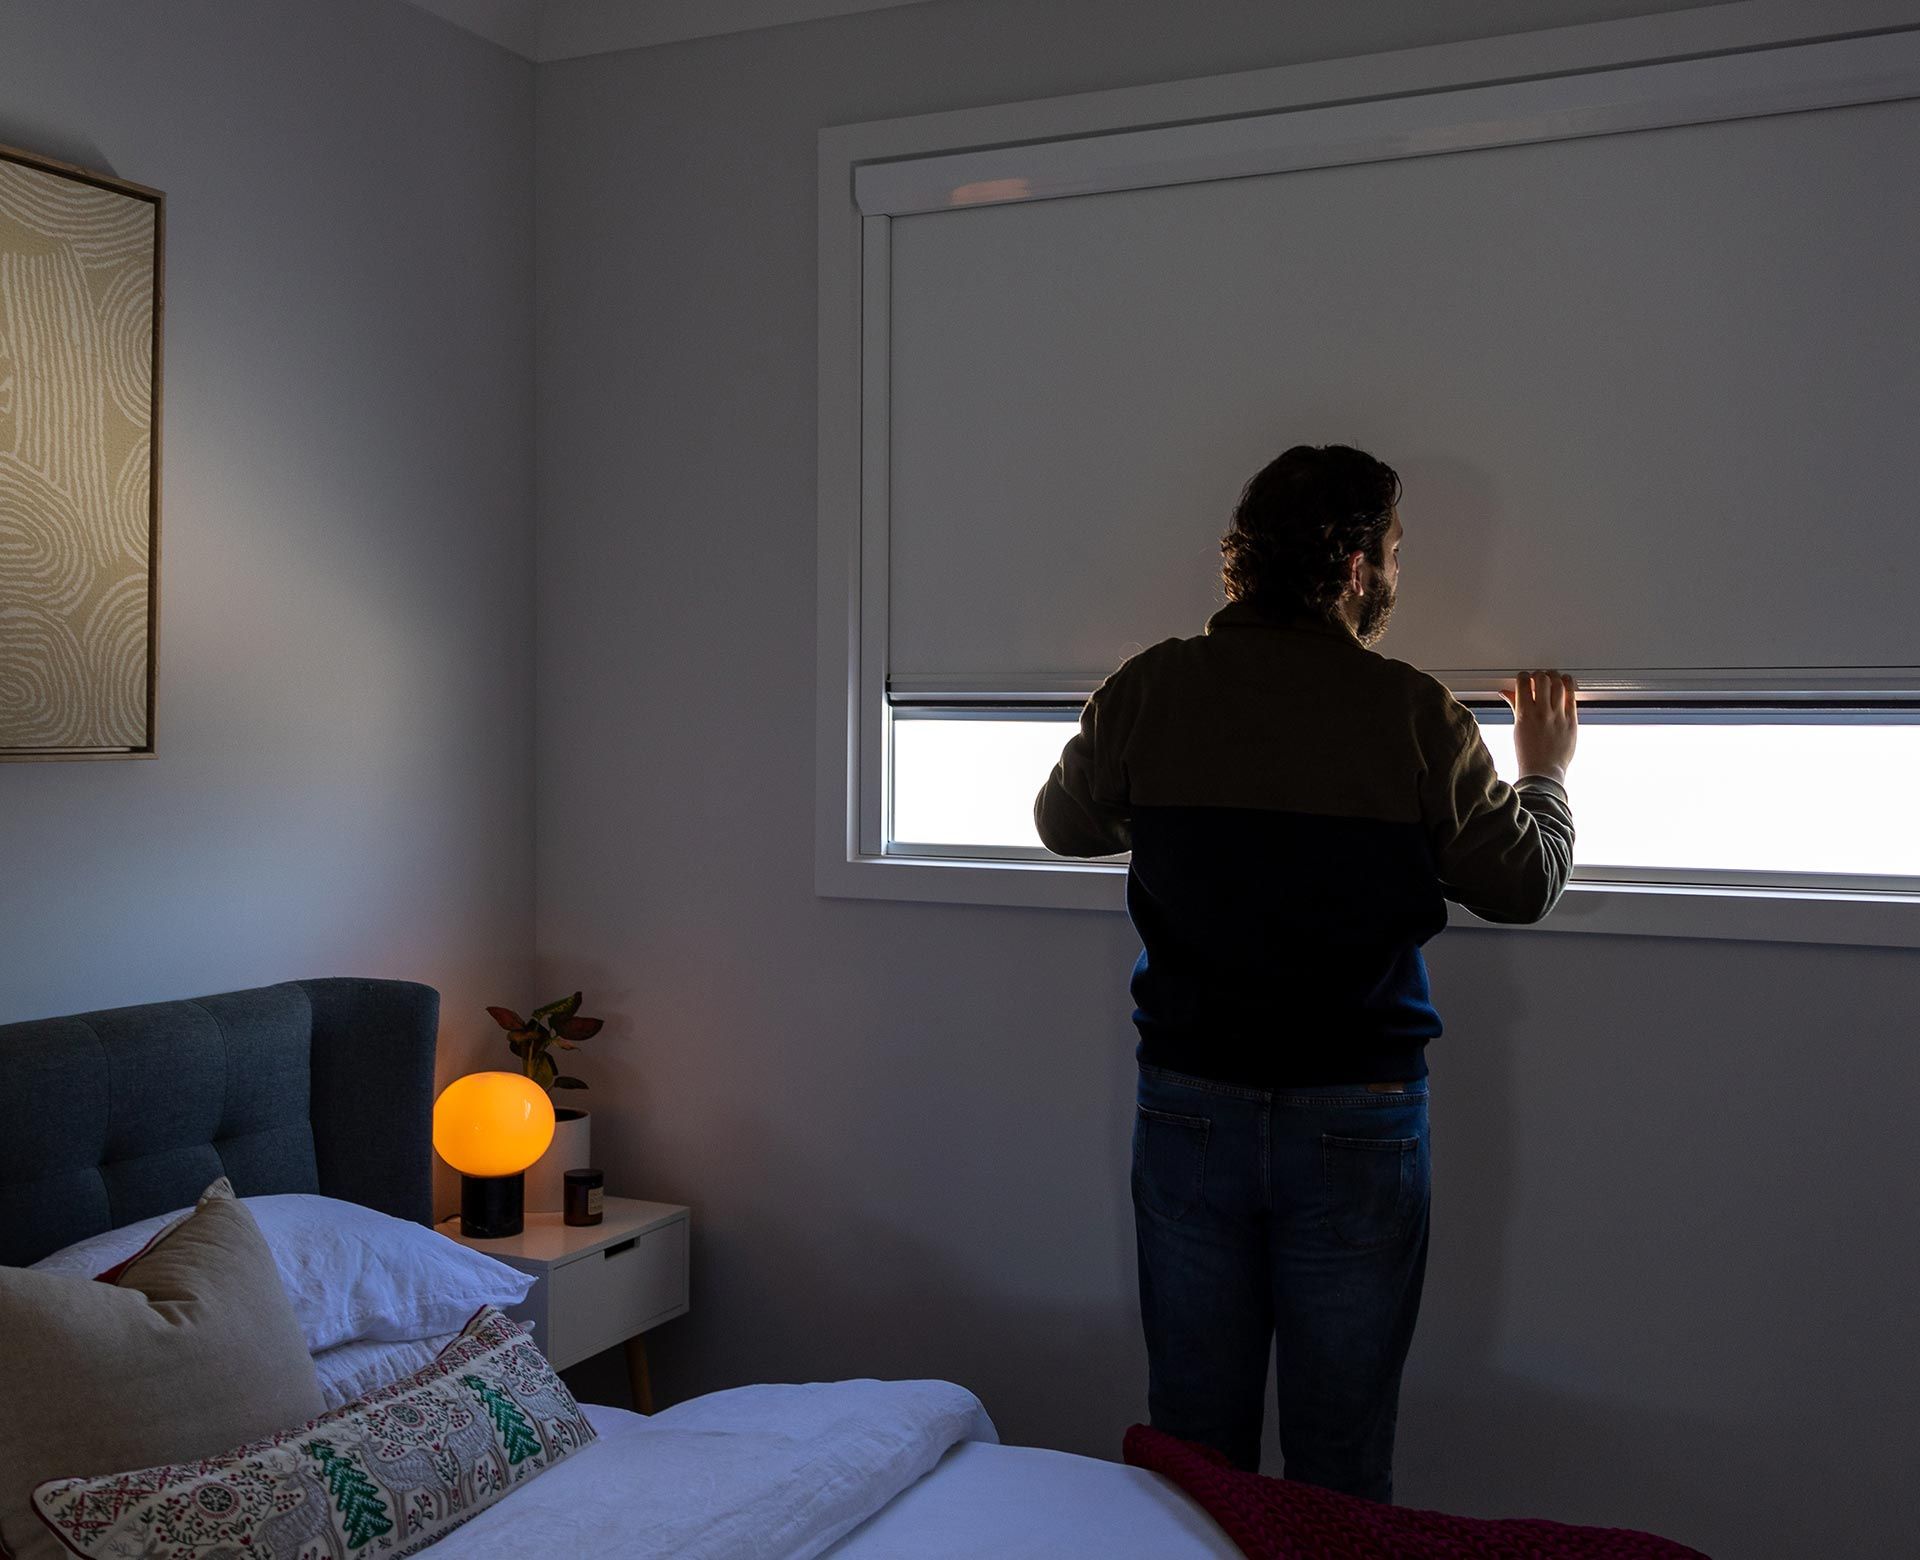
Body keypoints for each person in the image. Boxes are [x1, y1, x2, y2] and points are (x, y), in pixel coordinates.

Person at [1033, 442, 1577, 1504]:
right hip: (1355, 1118)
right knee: (1339, 1456)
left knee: (1192, 1453)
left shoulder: (1155, 686)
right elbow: (1523, 884)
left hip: (1188, 1108)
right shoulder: (1413, 714)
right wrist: (1545, 775)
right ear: (1359, 566)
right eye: (1397, 551)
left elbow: (1064, 823)